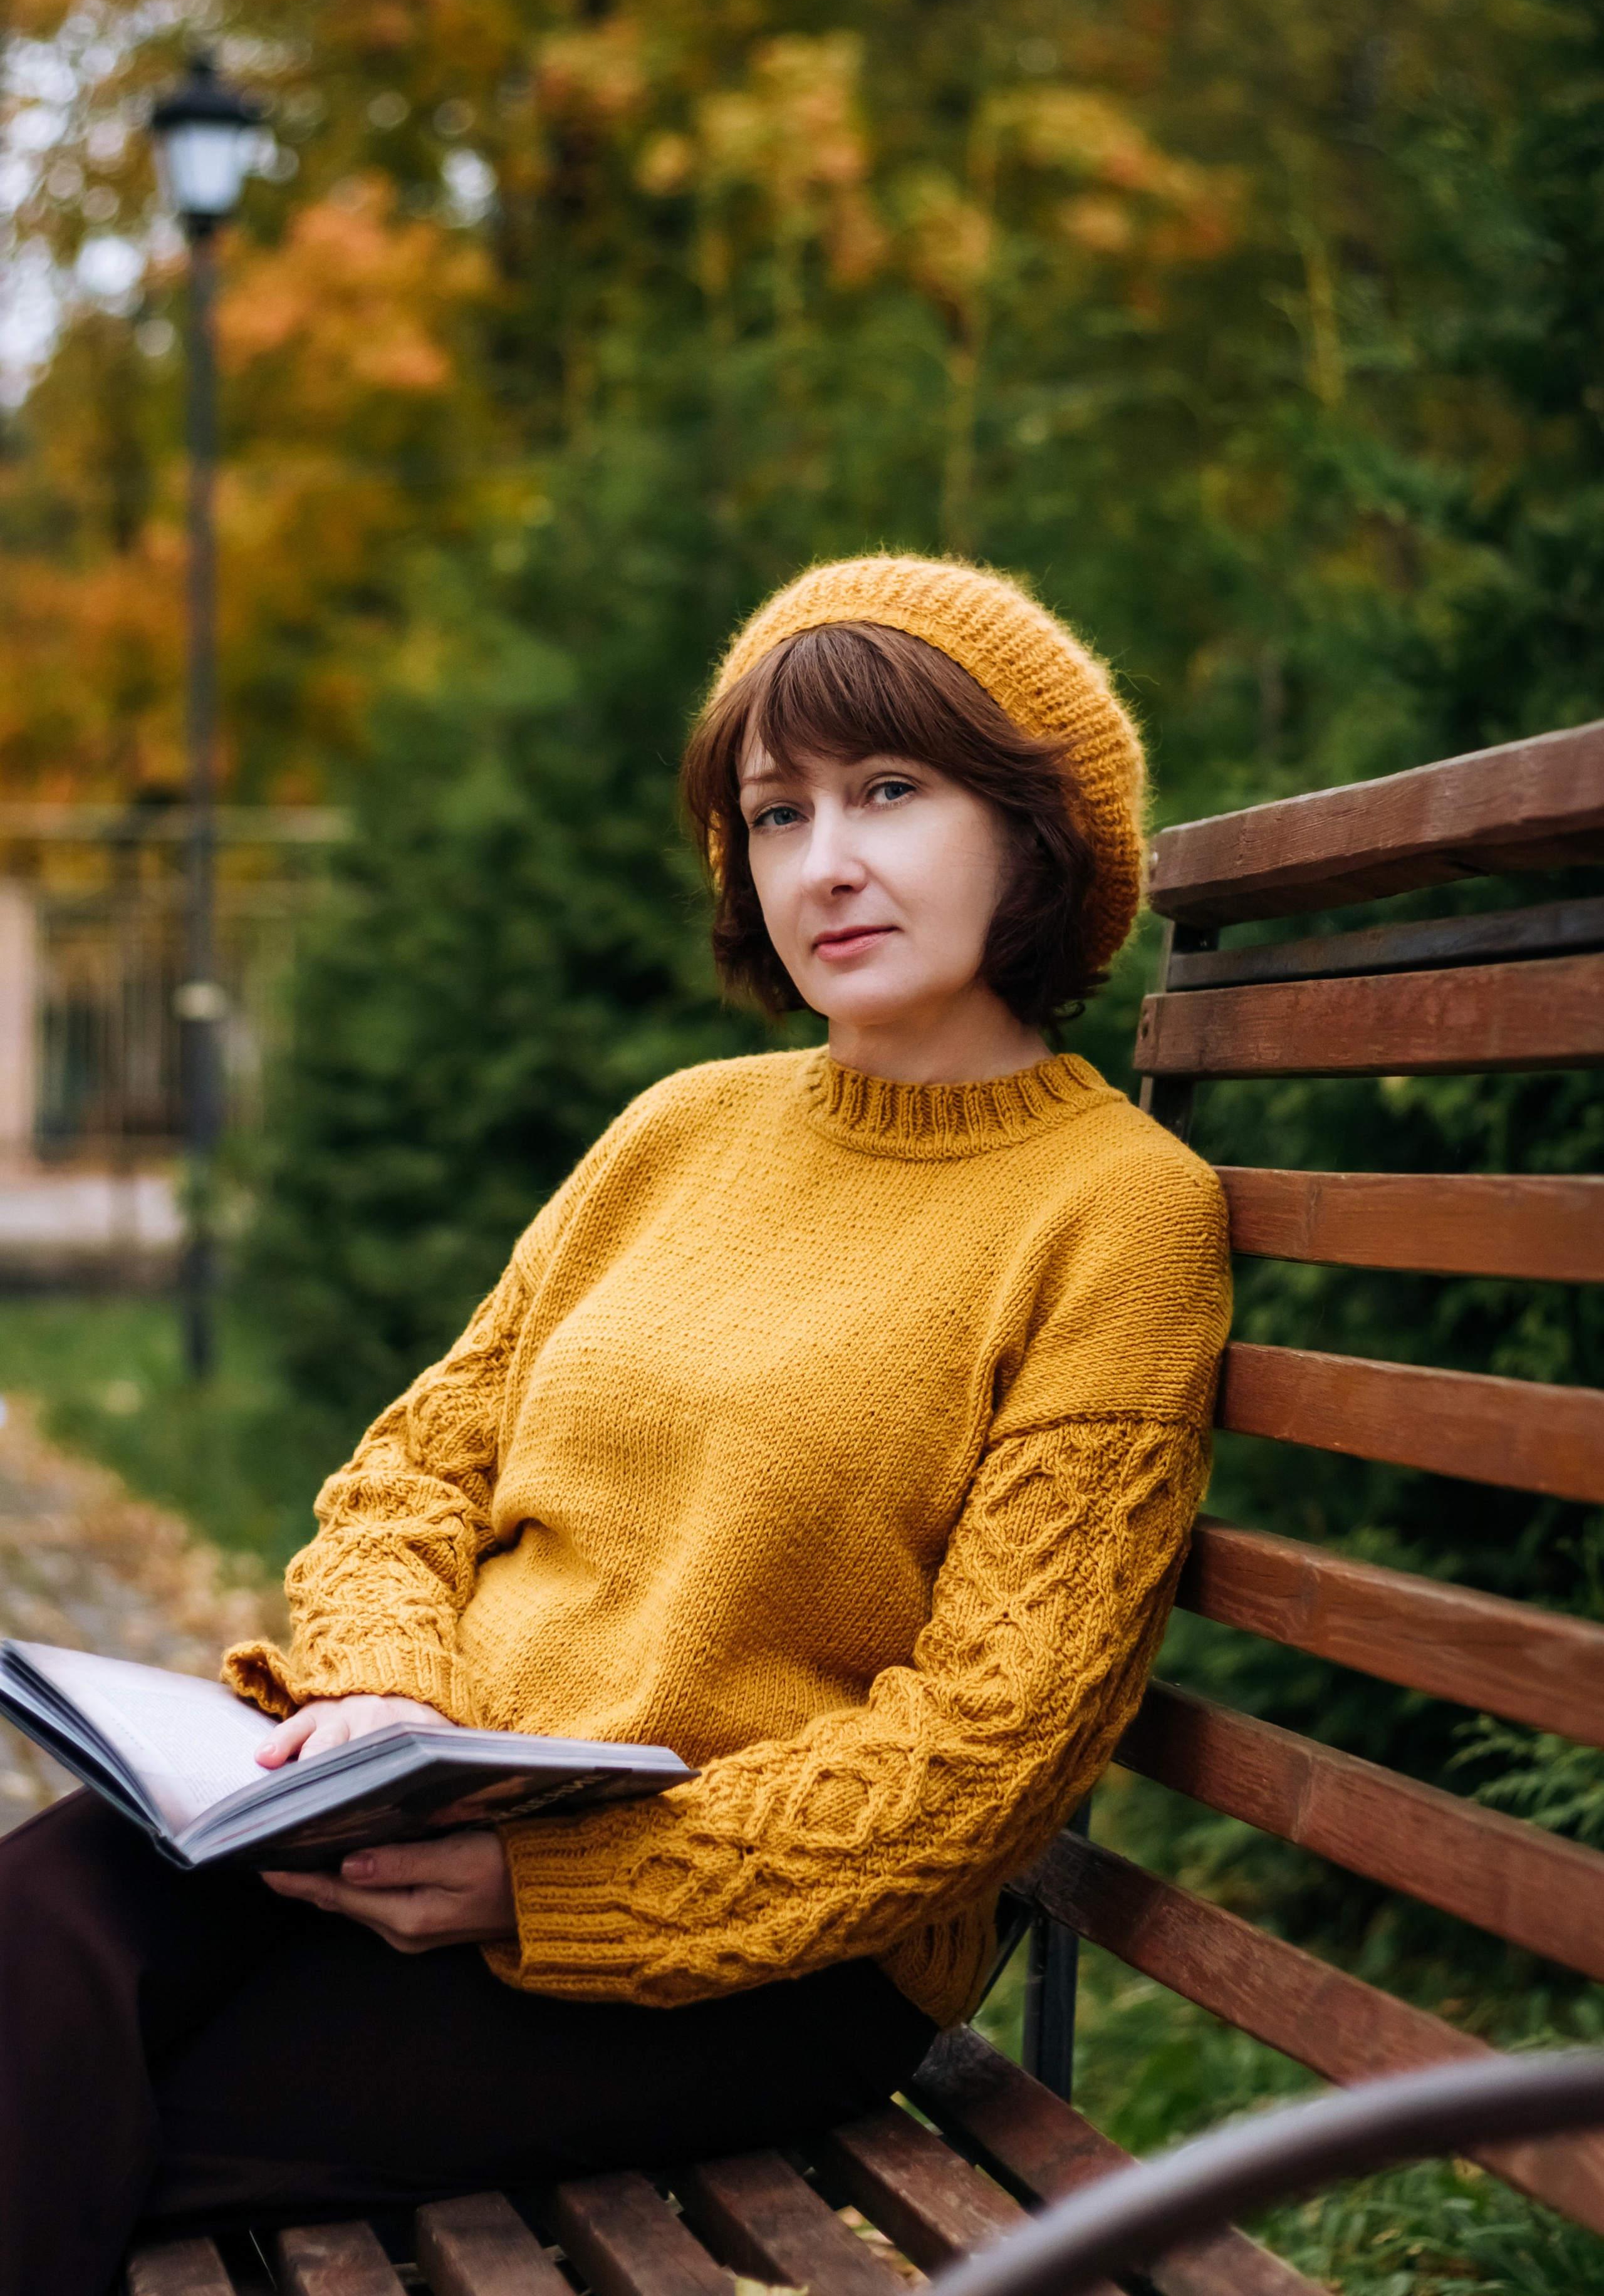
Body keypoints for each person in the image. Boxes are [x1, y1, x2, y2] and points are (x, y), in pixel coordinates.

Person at [0, 554, 1230, 2293]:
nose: (827, 862)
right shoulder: (682, 1129)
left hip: (759, 1951)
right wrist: (379, 1689)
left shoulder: (1118, 1214)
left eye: (891, 793)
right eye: (775, 812)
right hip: (412, 1816)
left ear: (1040, 828)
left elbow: (991, 1750)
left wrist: (550, 1895)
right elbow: (421, 1461)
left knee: (82, 2119)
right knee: (38, 1932)